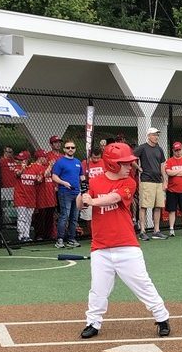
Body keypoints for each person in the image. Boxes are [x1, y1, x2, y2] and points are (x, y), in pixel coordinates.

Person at [76, 142, 170, 339]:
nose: (130, 166)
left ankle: (162, 318)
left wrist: (93, 200)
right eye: (125, 163)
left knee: (143, 284)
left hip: (126, 246)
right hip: (100, 247)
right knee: (98, 289)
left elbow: (113, 198)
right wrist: (82, 194)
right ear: (112, 164)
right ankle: (93, 322)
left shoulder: (130, 183)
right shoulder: (95, 183)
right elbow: (80, 206)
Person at [133, 127, 168, 241]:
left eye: (157, 135)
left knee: (158, 206)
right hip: (146, 181)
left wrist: (165, 180)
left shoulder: (159, 149)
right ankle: (142, 231)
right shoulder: (142, 148)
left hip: (158, 181)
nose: (156, 137)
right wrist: (139, 168)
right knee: (144, 206)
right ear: (148, 136)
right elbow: (131, 159)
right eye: (154, 135)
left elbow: (162, 165)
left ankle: (156, 231)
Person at [52, 139, 85, 248]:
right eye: (68, 147)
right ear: (64, 149)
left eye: (72, 147)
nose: (70, 149)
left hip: (77, 193)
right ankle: (60, 239)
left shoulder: (77, 162)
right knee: (64, 216)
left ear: (75, 149)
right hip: (65, 192)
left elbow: (81, 176)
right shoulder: (60, 162)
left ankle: (71, 238)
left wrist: (84, 187)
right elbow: (54, 176)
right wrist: (63, 183)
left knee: (74, 217)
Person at [13, 150, 42, 242]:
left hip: (31, 196)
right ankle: (21, 235)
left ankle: (27, 235)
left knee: (29, 217)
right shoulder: (17, 167)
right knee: (22, 216)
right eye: (20, 160)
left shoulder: (34, 168)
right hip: (20, 196)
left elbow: (39, 180)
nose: (21, 161)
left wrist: (39, 179)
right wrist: (22, 168)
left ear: (27, 160)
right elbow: (17, 174)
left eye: (23, 160)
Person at [165, 141, 182, 237]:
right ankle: (171, 229)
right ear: (173, 151)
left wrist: (175, 171)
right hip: (172, 190)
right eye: (176, 150)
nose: (178, 152)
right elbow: (169, 173)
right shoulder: (169, 161)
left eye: (179, 150)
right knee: (172, 210)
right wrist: (180, 171)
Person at [33, 150, 57, 241]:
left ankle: (48, 235)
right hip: (41, 197)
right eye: (44, 157)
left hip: (50, 197)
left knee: (50, 217)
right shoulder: (35, 167)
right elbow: (40, 178)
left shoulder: (47, 167)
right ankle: (39, 235)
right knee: (40, 218)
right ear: (40, 158)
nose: (46, 159)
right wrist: (50, 166)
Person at [0, 146, 16, 224]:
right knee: (4, 205)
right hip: (5, 186)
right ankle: (4, 219)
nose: (10, 154)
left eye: (11, 152)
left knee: (14, 204)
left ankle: (14, 220)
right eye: (8, 152)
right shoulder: (1, 161)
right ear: (4, 152)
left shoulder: (14, 161)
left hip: (14, 186)